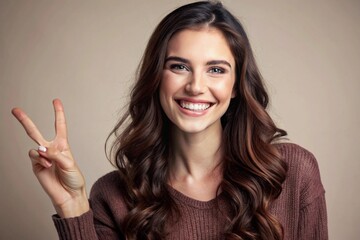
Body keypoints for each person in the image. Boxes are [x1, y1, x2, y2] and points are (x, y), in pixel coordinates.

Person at [11, 1, 328, 239]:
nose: (195, 86)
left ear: (236, 86)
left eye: (216, 69)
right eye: (179, 66)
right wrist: (72, 205)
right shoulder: (114, 196)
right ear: (156, 77)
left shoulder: (293, 173)